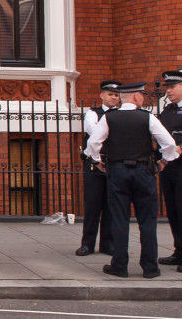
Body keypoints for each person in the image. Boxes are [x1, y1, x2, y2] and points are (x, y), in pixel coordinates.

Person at [87, 82, 178, 279]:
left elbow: (93, 143)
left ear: (122, 97)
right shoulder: (148, 118)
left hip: (118, 171)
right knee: (147, 221)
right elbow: (169, 144)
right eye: (142, 95)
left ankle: (119, 266)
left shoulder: (109, 118)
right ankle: (150, 268)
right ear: (136, 97)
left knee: (119, 219)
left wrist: (97, 161)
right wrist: (164, 161)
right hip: (144, 171)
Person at [76, 79, 121, 257]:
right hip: (94, 163)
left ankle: (107, 244)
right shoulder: (92, 113)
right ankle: (87, 243)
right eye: (110, 94)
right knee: (92, 204)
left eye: (116, 95)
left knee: (111, 204)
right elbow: (95, 133)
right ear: (102, 95)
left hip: (113, 162)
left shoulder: (121, 114)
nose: (114, 98)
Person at [157, 70, 182, 270]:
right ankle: (179, 251)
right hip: (169, 168)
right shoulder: (168, 111)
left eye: (173, 87)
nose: (169, 91)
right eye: (168, 88)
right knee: (173, 211)